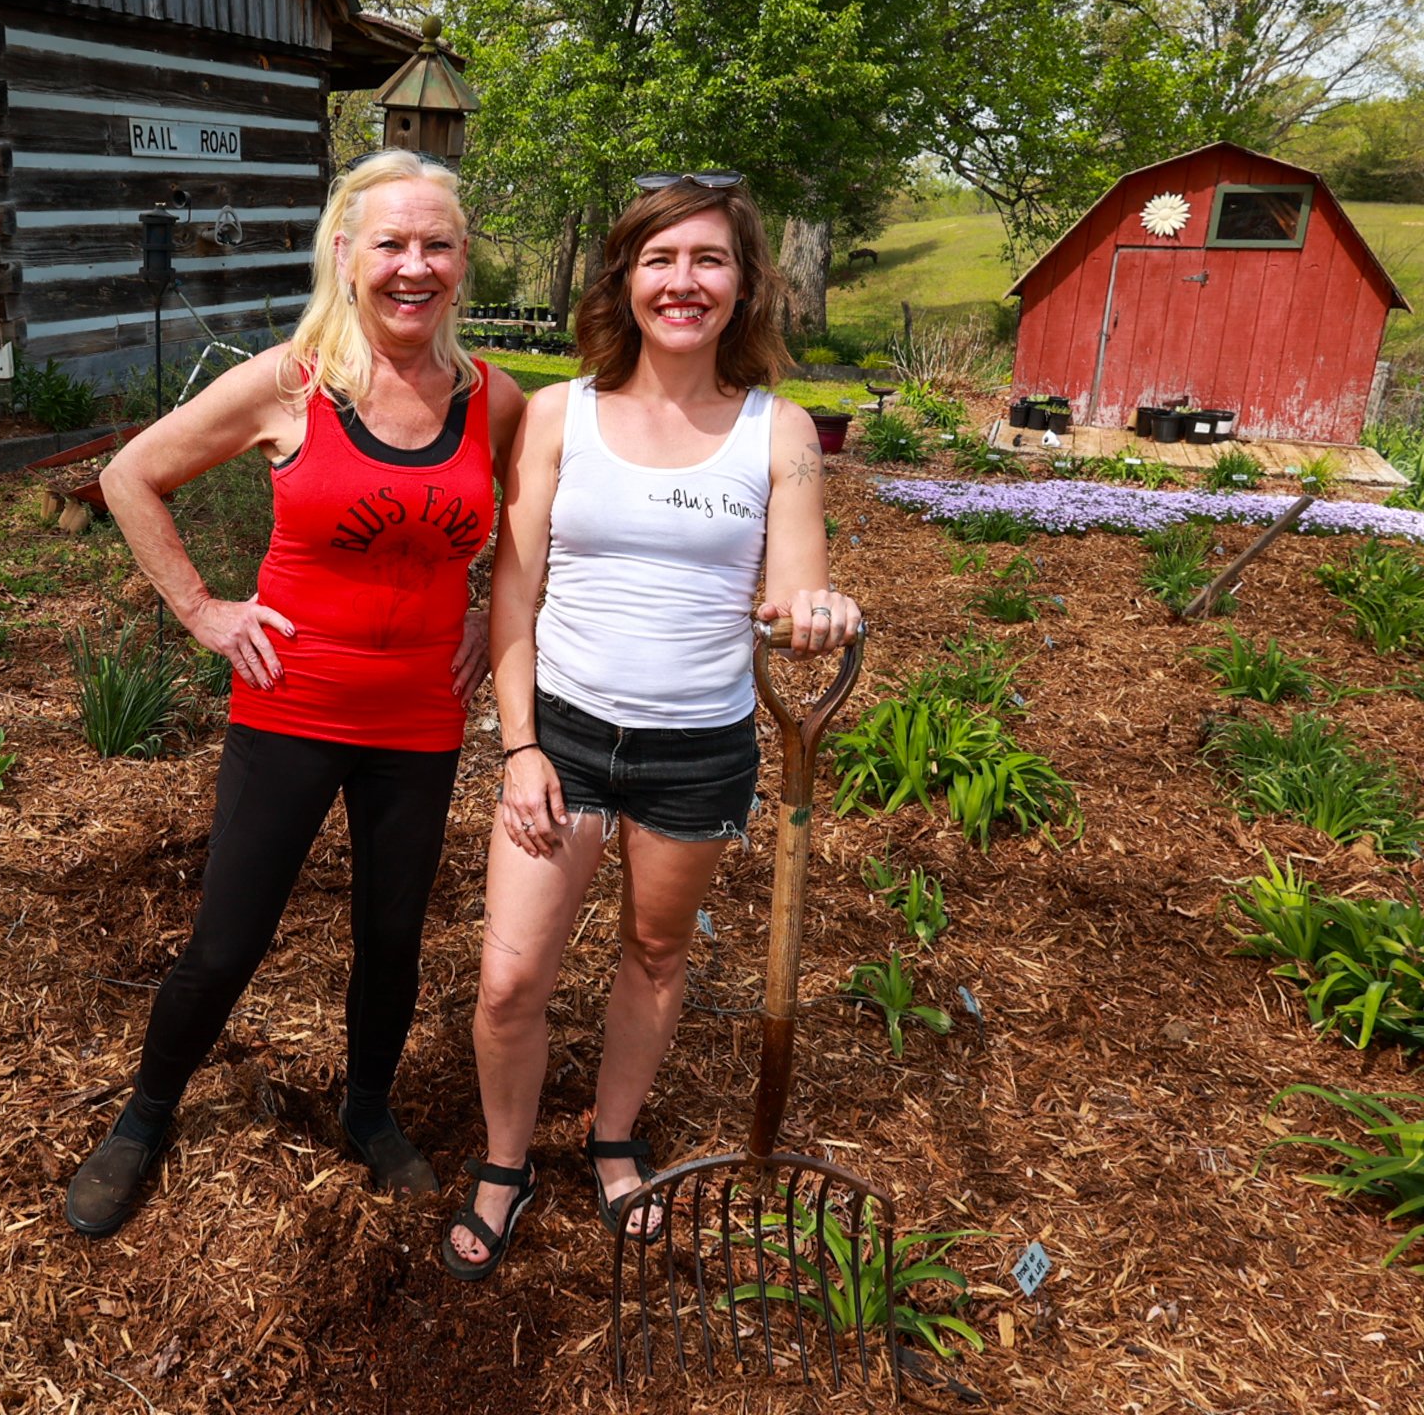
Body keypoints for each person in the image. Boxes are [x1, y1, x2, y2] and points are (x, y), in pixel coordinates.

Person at [65, 150, 526, 1238]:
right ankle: (144, 1115)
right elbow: (130, 475)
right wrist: (203, 611)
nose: (415, 266)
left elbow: (538, 529)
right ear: (345, 253)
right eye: (392, 243)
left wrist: (487, 618)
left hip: (420, 716)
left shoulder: (494, 400)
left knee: (393, 934)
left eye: (438, 244)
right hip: (292, 702)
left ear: (463, 260)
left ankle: (369, 1110)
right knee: (228, 940)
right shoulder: (290, 381)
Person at [440, 173, 862, 1279]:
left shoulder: (783, 432)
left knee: (656, 953)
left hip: (698, 748)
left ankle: (615, 1138)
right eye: (661, 260)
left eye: (709, 261)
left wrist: (814, 614)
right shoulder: (558, 413)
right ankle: (504, 1161)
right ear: (626, 278)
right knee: (509, 980)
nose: (684, 283)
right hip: (565, 740)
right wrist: (520, 744)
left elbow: (793, 592)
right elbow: (514, 595)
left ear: (744, 284)